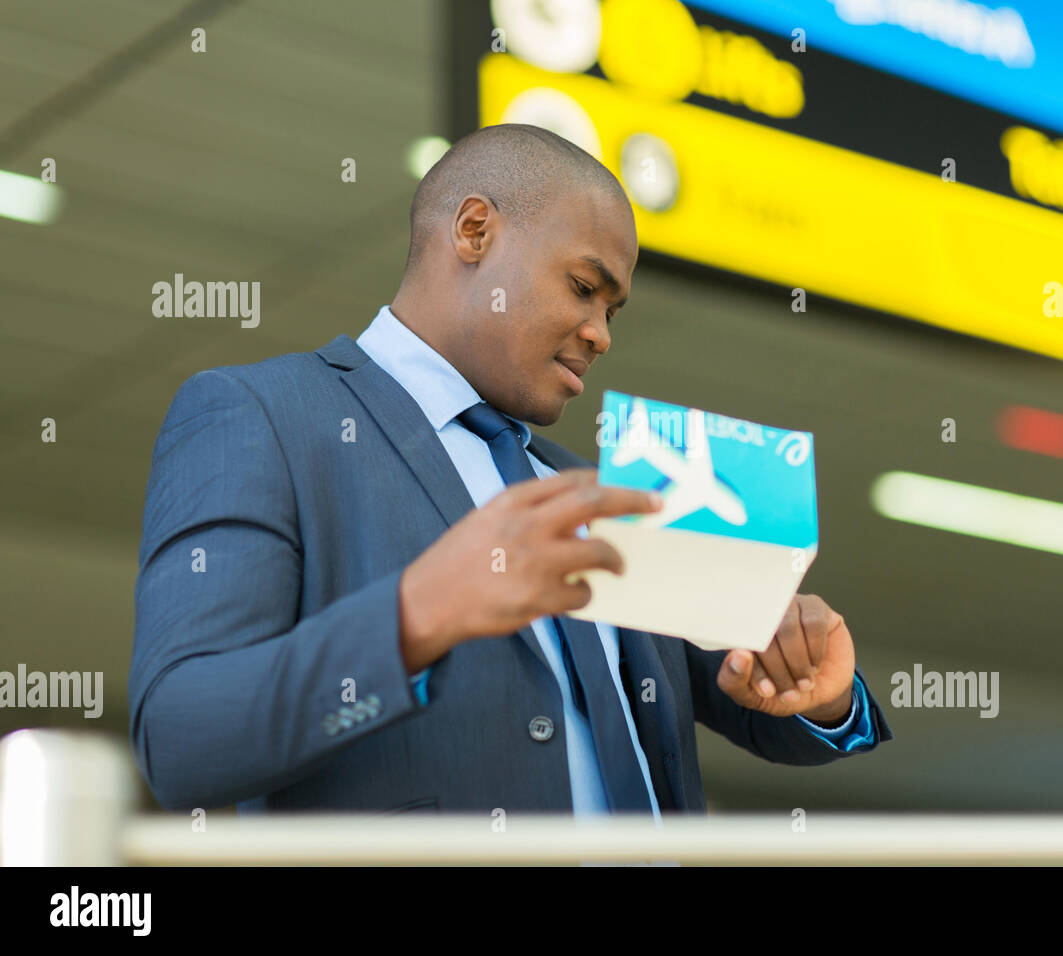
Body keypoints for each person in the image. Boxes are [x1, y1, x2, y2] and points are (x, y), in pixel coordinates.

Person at [129, 123, 893, 816]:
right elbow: (182, 737)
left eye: (613, 311)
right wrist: (418, 613)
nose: (600, 334)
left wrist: (814, 686)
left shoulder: (600, 490)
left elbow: (747, 699)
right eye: (585, 288)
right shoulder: (258, 416)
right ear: (473, 231)